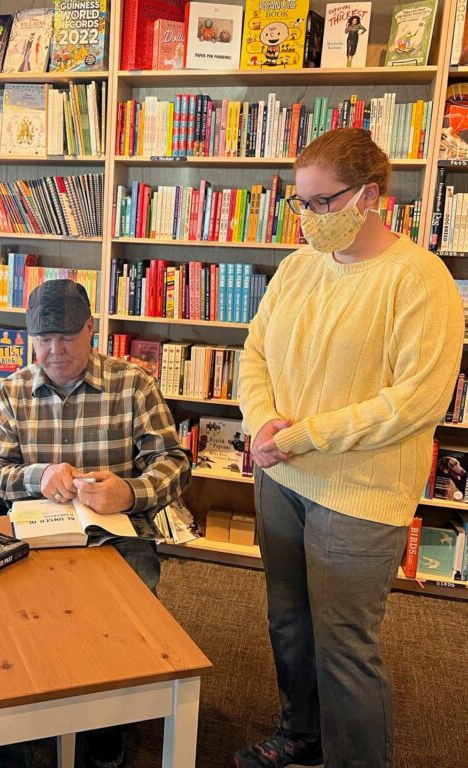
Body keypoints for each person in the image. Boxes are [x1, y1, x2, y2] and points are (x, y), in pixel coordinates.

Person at [234, 127, 464, 768]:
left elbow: (415, 401)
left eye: (322, 203)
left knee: (344, 646)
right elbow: (255, 352)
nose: (308, 219)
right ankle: (302, 734)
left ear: (370, 196)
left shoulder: (420, 279)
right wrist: (260, 423)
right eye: (299, 204)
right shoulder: (297, 266)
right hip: (281, 476)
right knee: (289, 624)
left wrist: (300, 436)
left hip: (358, 493)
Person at [0, 278, 191, 768]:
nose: (55, 352)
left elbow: (174, 463)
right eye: (43, 340)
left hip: (115, 534)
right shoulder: (11, 392)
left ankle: (106, 722)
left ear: (92, 329)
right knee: (5, 625)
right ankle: (18, 720)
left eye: (68, 338)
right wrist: (39, 475)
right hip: (34, 533)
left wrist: (130, 490)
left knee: (124, 622)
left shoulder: (133, 383)